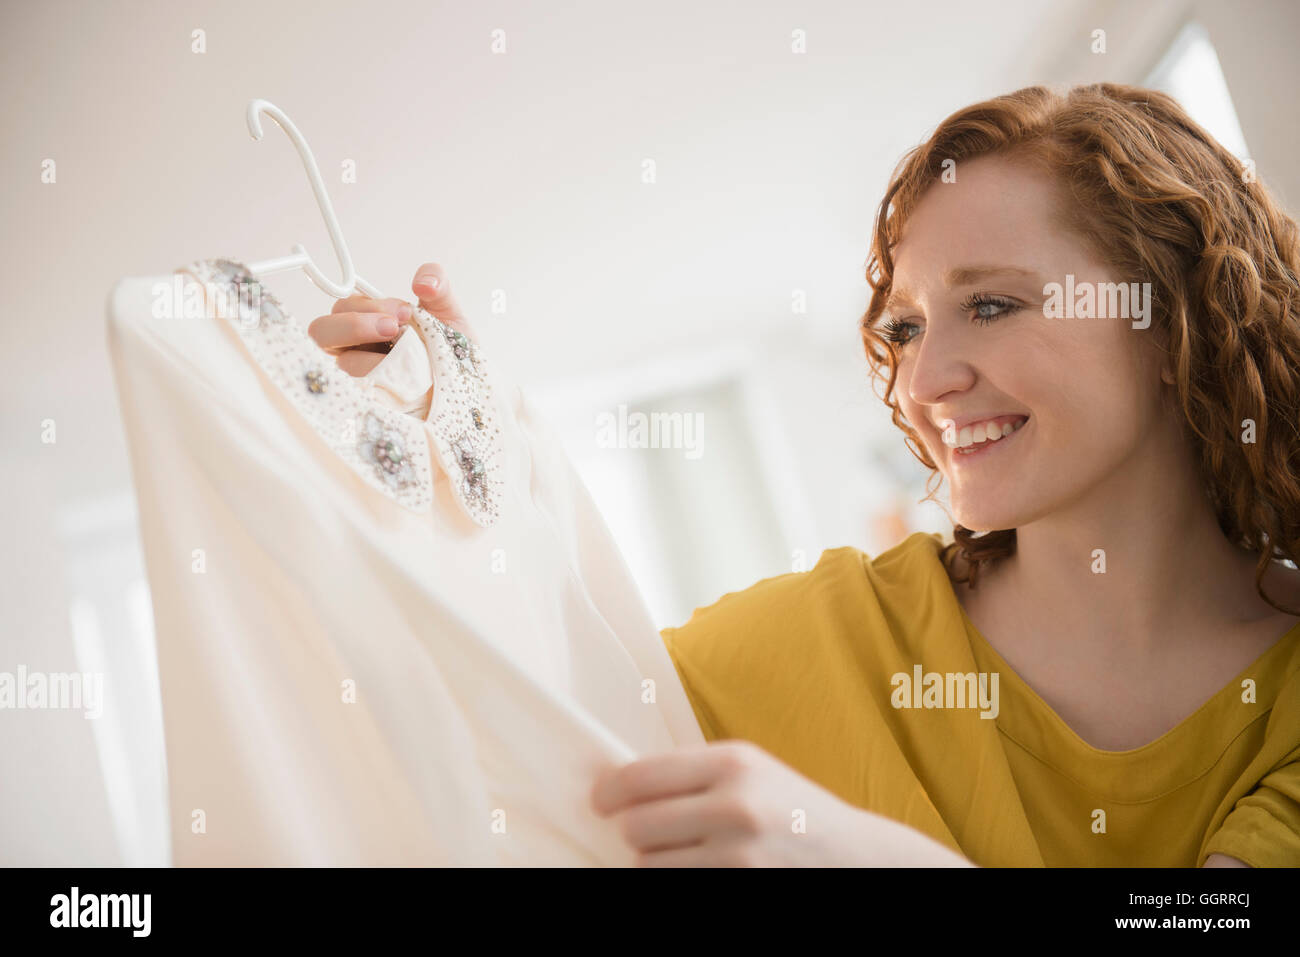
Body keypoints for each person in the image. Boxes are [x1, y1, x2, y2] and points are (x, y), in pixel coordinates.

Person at [306, 84, 1300, 867]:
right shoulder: (805, 644)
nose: (923, 379)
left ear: (1173, 312)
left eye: (991, 306)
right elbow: (499, 715)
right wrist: (444, 459)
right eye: (905, 328)